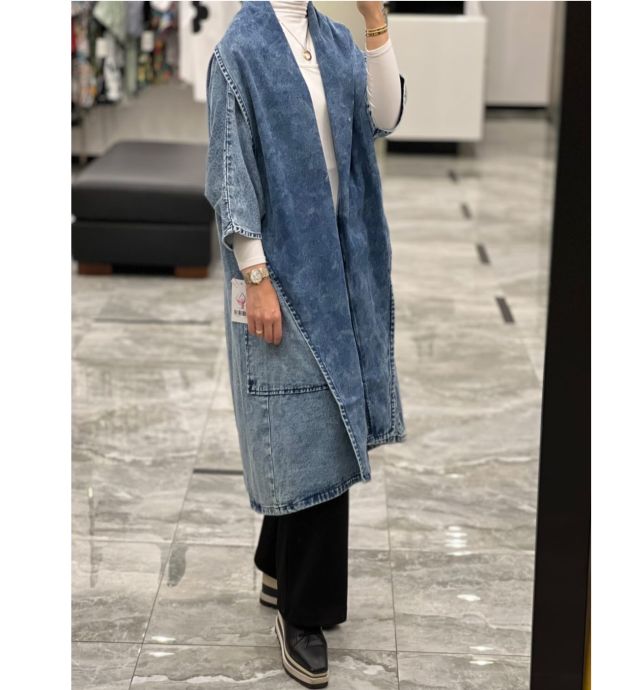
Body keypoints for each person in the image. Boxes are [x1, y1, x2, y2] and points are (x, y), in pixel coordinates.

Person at [205, 1, 407, 686]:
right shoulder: (240, 50)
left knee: (313, 421)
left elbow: (384, 115)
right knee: (311, 432)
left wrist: (376, 22)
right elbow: (230, 171)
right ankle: (304, 612)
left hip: (340, 263)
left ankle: (276, 561)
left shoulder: (335, 40)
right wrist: (255, 275)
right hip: (282, 274)